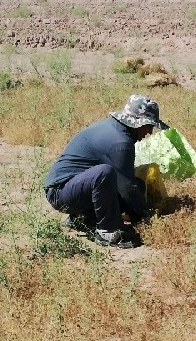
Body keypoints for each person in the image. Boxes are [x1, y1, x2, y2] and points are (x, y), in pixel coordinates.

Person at [43, 94, 168, 248]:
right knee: (105, 174)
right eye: (149, 126)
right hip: (60, 192)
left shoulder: (117, 130)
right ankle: (108, 232)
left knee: (138, 185)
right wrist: (147, 216)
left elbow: (128, 185)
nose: (150, 132)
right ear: (137, 123)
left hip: (77, 188)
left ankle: (83, 219)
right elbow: (127, 189)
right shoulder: (121, 142)